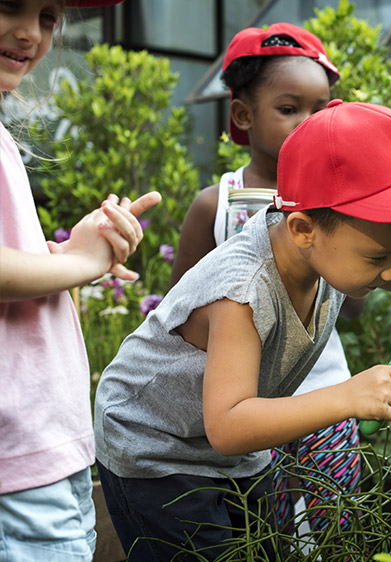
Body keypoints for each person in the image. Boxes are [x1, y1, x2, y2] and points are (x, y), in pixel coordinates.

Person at [93, 99, 391, 561]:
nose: (390, 272)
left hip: (233, 452)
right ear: (302, 229)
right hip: (158, 452)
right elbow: (228, 424)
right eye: (381, 259)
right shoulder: (244, 290)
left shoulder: (336, 247)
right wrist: (345, 396)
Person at [170, 23, 363, 536]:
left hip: (327, 395)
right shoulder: (216, 205)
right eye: (288, 108)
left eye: (321, 109)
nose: (308, 123)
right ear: (243, 114)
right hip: (249, 409)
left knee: (339, 528)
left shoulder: (337, 207)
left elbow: (356, 295)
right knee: (267, 533)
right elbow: (180, 314)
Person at [0, 1, 162, 560]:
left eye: (47, 16)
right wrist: (80, 264)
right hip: (17, 459)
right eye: (8, 5)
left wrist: (69, 250)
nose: (31, 33)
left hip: (40, 449)